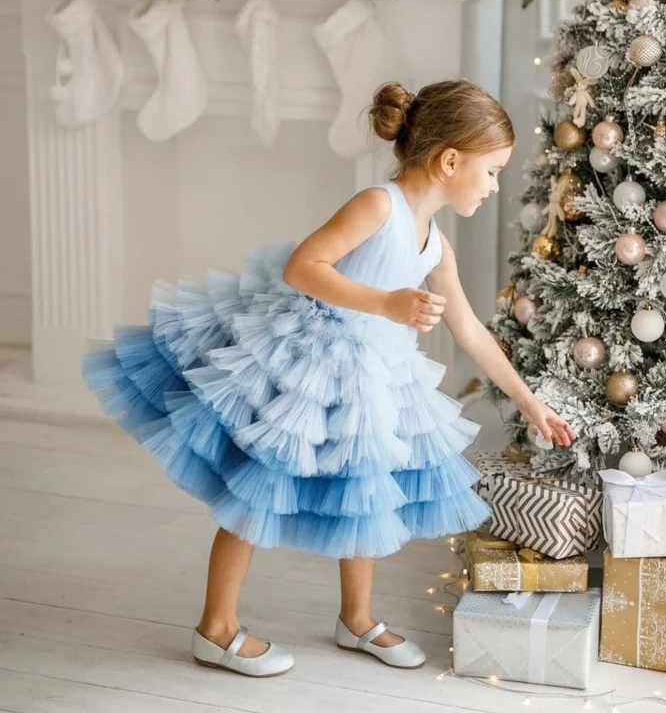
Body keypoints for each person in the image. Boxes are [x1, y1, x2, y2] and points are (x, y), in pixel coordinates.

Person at [83, 79, 576, 678]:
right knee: (258, 487)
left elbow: (470, 328)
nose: (495, 185)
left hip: (377, 375)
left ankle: (358, 618)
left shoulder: (435, 247)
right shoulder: (378, 205)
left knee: (366, 486)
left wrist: (529, 403)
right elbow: (303, 266)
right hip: (314, 360)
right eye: (493, 170)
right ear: (451, 161)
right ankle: (216, 628)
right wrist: (386, 304)